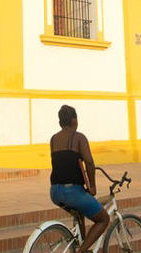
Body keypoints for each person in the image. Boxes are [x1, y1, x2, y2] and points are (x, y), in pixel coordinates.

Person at [48, 104, 109, 252]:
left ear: (60, 122)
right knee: (104, 219)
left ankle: (81, 244)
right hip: (72, 192)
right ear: (74, 121)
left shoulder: (54, 139)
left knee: (79, 211)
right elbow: (89, 162)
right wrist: (92, 187)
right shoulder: (79, 138)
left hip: (55, 191)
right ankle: (82, 251)